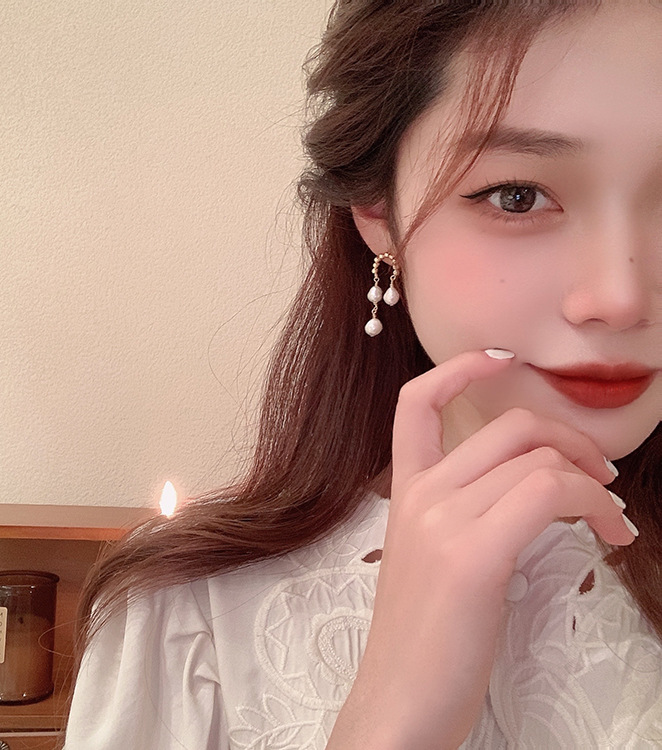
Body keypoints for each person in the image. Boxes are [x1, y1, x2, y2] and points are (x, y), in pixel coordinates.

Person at [64, 1, 662, 747]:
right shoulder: (192, 624)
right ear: (380, 214)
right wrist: (393, 715)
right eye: (518, 196)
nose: (620, 297)